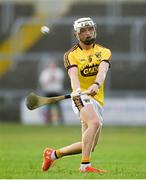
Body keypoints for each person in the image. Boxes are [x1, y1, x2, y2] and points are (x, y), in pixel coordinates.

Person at [41, 17, 112, 173]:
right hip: (80, 96)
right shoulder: (70, 55)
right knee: (94, 123)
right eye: (83, 31)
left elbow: (102, 71)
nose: (88, 33)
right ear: (76, 34)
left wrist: (96, 85)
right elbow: (73, 75)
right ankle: (85, 166)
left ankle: (52, 155)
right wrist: (77, 90)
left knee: (90, 145)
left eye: (90, 29)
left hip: (97, 98)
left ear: (94, 30)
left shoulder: (104, 51)